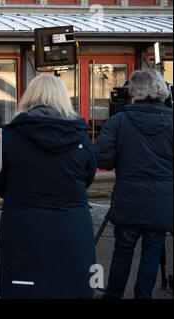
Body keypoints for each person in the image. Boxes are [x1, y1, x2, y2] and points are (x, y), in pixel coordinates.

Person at [0, 74, 97, 299]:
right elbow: (88, 176)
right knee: (71, 287)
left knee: (24, 288)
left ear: (30, 96)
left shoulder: (10, 136)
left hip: (23, 226)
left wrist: (19, 194)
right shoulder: (81, 138)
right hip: (72, 226)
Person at [95, 69, 172, 299]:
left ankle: (113, 295)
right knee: (151, 253)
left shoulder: (118, 121)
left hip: (128, 199)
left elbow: (103, 159)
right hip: (162, 202)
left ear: (134, 91)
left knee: (123, 251)